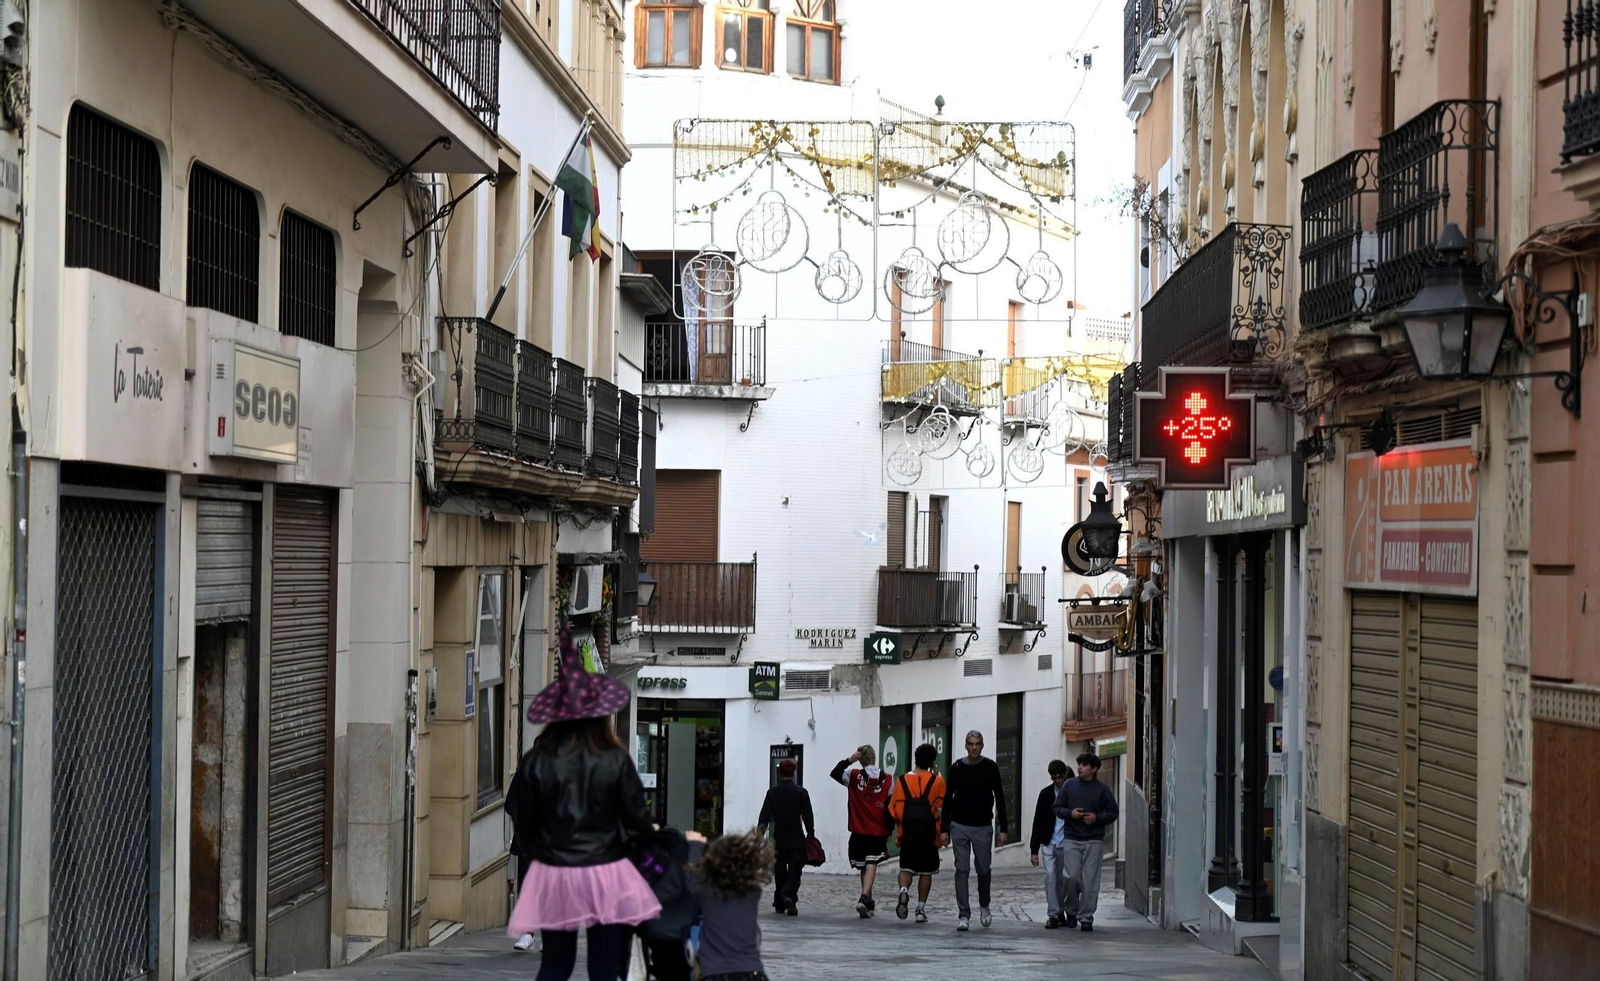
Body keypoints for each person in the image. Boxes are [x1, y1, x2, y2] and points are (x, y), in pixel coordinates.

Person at [507, 625, 661, 981]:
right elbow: (638, 821)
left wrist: (544, 856)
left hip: (556, 871)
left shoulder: (536, 760)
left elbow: (524, 824)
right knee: (604, 967)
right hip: (606, 871)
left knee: (555, 964)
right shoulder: (614, 758)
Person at [940, 730, 1010, 931]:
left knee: (984, 869)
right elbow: (947, 799)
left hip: (982, 826)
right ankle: (963, 913)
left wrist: (1003, 829)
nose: (974, 747)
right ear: (965, 745)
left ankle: (985, 904)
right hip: (959, 824)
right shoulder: (957, 768)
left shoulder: (990, 768)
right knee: (961, 868)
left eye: (977, 743)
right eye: (970, 743)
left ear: (982, 745)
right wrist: (944, 828)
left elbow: (1000, 798)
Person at [684, 829, 773, 981]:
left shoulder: (708, 893)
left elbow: (692, 880)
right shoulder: (752, 892)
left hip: (715, 973)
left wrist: (695, 846)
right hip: (752, 972)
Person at [1053, 751, 1120, 932]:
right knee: (1071, 877)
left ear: (1094, 768)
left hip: (1094, 840)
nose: (1079, 767)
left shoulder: (1102, 789)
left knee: (1090, 880)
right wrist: (1071, 814)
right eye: (1079, 764)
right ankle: (1071, 911)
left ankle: (1086, 917)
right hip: (1072, 838)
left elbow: (1113, 812)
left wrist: (1096, 818)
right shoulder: (1069, 786)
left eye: (1084, 764)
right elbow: (1057, 808)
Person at [830, 744, 895, 918]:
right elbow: (890, 807)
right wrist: (890, 829)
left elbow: (835, 773)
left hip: (858, 828)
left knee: (863, 865)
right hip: (878, 828)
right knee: (871, 862)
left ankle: (868, 901)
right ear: (874, 758)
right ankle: (865, 897)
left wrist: (848, 761)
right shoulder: (888, 779)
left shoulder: (853, 776)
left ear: (860, 760)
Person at [887, 743, 946, 924]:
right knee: (925, 872)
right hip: (929, 834)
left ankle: (904, 891)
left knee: (906, 868)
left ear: (915, 758)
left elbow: (894, 809)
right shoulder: (937, 781)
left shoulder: (902, 780)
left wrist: (901, 826)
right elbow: (942, 807)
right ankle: (920, 909)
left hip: (908, 834)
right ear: (932, 761)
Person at [757, 758, 815, 915]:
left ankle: (780, 901)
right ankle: (789, 894)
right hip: (796, 836)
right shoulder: (801, 792)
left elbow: (764, 818)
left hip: (779, 837)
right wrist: (811, 833)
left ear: (780, 773)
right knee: (796, 868)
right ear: (794, 772)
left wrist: (759, 837)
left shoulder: (772, 793)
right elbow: (808, 816)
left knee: (780, 869)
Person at [1028, 760, 1071, 928]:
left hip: (1066, 842)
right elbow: (1037, 821)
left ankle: (1061, 911)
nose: (1058, 781)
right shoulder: (1045, 794)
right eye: (1055, 778)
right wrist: (1033, 849)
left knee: (1062, 879)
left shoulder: (1071, 794)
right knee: (1050, 877)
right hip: (1048, 842)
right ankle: (1053, 914)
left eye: (1060, 777)